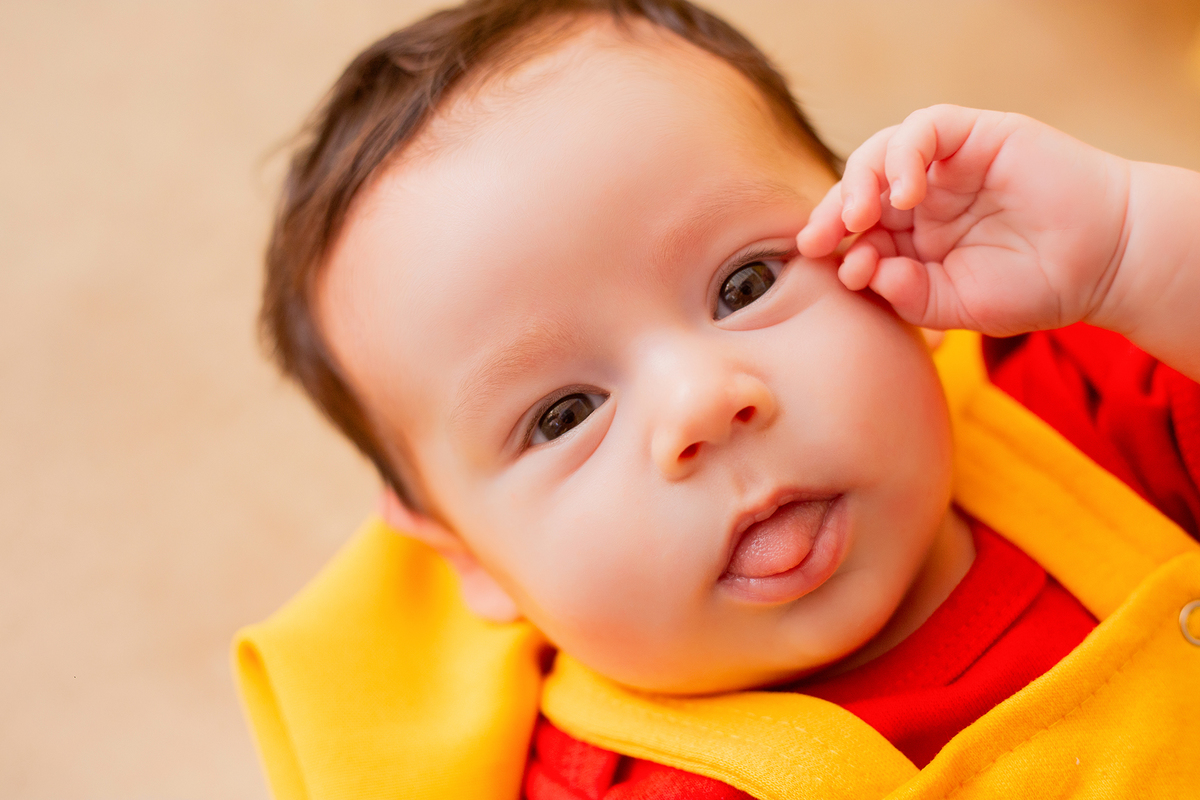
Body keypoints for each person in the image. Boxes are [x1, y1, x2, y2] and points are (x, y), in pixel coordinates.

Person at [235, 0, 1200, 797]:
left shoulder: (1075, 400)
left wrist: (1132, 249)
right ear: (467, 557)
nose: (702, 403)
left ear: (895, 244)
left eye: (745, 285)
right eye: (564, 415)